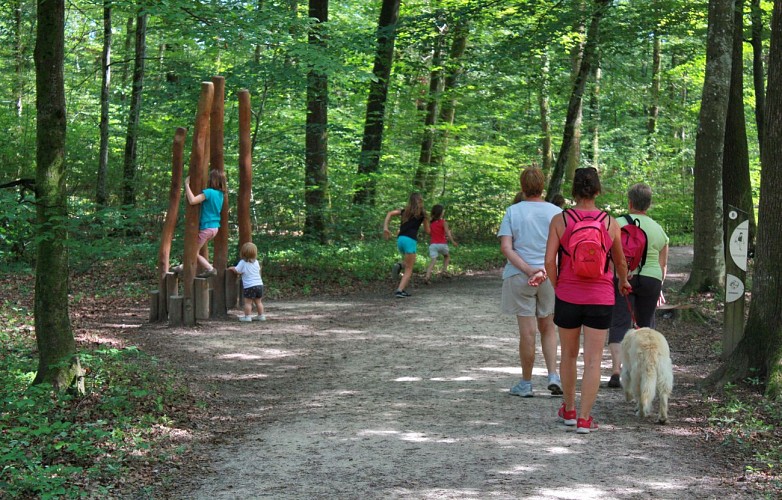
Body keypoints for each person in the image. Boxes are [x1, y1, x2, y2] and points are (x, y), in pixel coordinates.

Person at [544, 167, 632, 434]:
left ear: (574, 190)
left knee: (568, 356)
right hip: (601, 297)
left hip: (568, 296)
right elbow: (620, 261)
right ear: (597, 190)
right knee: (593, 360)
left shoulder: (561, 220)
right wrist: (624, 280)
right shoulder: (610, 222)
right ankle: (585, 418)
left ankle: (569, 410)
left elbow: (549, 261)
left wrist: (559, 285)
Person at [498, 167, 563, 398]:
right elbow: (562, 248)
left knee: (527, 333)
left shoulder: (513, 212)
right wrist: (544, 270)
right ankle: (553, 375)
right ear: (543, 185)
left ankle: (526, 383)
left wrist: (528, 270)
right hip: (550, 276)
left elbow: (506, 247)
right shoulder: (556, 212)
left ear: (522, 186)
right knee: (548, 327)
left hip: (519, 276)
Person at [606, 183, 669, 388]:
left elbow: (608, 255)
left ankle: (617, 369)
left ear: (630, 202)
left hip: (624, 276)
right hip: (651, 279)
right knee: (645, 326)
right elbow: (662, 264)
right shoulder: (658, 229)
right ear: (649, 205)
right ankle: (644, 372)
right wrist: (659, 287)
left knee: (619, 323)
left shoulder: (617, 223)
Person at [172, 169, 226, 278]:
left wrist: (186, 185)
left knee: (194, 252)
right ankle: (181, 267)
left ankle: (210, 269)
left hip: (207, 228)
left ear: (213, 180)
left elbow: (192, 201)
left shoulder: (209, 192)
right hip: (214, 228)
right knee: (194, 250)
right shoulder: (221, 194)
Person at [384, 193, 430, 298]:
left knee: (407, 262)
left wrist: (385, 228)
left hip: (400, 239)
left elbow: (390, 213)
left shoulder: (405, 211)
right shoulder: (423, 214)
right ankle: (399, 290)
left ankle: (400, 266)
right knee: (409, 268)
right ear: (420, 201)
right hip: (410, 240)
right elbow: (428, 231)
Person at [228, 242, 266, 322]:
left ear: (243, 252)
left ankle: (247, 317)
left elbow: (237, 271)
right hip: (259, 285)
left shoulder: (242, 262)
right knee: (258, 302)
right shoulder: (256, 262)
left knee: (248, 303)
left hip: (250, 286)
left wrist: (232, 268)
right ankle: (261, 316)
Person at [424, 204, 458, 284]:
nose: (443, 212)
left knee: (433, 261)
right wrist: (453, 241)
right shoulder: (443, 222)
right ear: (440, 213)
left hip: (433, 245)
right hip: (442, 244)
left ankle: (427, 276)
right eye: (443, 211)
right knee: (447, 256)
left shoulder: (431, 223)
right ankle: (444, 271)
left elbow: (429, 232)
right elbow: (448, 233)